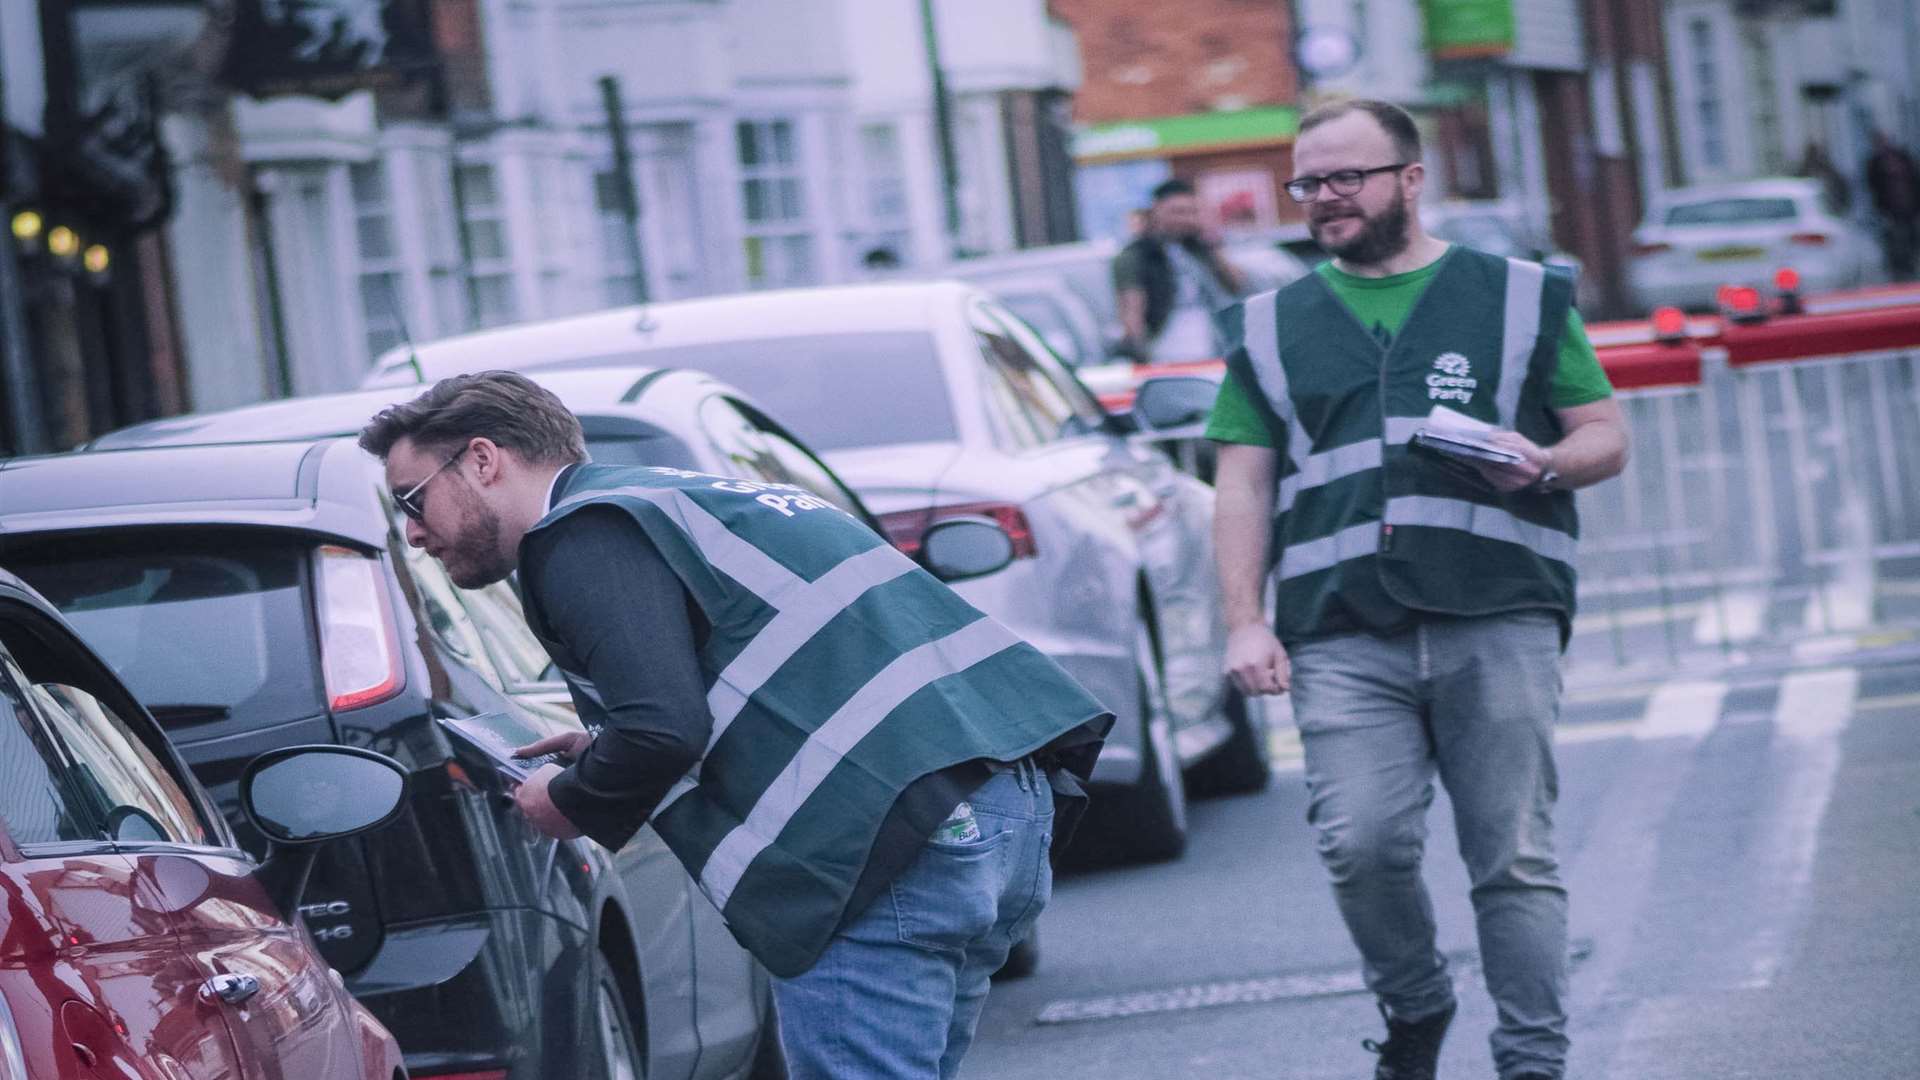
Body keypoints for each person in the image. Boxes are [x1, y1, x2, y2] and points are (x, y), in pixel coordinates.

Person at [357, 372, 1111, 1079]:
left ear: (483, 460)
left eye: (413, 499)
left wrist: (571, 800)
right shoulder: (678, 498)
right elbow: (757, 675)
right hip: (999, 804)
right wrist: (599, 748)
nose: (414, 534)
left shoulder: (581, 534)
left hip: (883, 843)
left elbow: (662, 731)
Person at [1206, 100, 1629, 1080]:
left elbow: (1604, 434)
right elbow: (1243, 481)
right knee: (1361, 846)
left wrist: (1549, 464)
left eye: (1345, 177)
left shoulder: (1521, 296)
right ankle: (1416, 1000)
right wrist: (1242, 621)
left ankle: (1532, 1061)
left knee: (1513, 858)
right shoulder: (1268, 325)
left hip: (1499, 612)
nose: (1323, 199)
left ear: (1410, 176)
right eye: (1307, 184)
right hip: (1340, 628)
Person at [1114, 178, 1247, 362]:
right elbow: (1132, 311)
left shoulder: (1199, 248)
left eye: (1192, 212)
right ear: (1155, 212)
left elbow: (1237, 285)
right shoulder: (1137, 256)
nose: (1186, 219)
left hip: (1213, 342)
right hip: (1166, 348)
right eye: (1178, 212)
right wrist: (1139, 353)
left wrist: (1212, 242)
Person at [1863, 131, 1920, 279]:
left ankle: (1911, 263)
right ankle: (1899, 267)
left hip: (1909, 207)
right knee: (1893, 239)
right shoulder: (1874, 163)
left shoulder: (1902, 157)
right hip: (1889, 209)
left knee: (1911, 236)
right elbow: (1873, 186)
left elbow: (1914, 180)